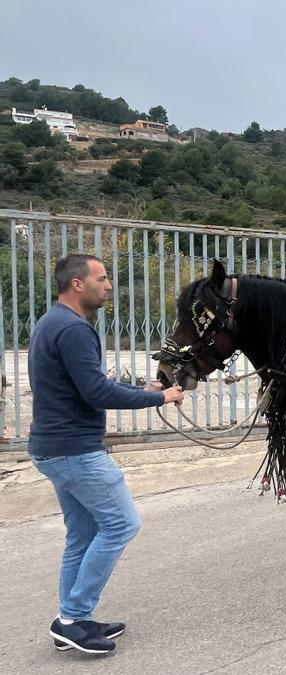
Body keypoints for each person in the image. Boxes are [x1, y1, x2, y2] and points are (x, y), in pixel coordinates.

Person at [28, 254, 186, 654]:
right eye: (102, 278)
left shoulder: (52, 322)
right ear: (77, 284)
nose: (109, 285)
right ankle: (71, 617)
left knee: (82, 533)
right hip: (75, 451)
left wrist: (143, 391)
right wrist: (161, 397)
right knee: (120, 525)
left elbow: (87, 384)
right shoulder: (74, 329)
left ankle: (73, 618)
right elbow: (96, 392)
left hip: (53, 448)